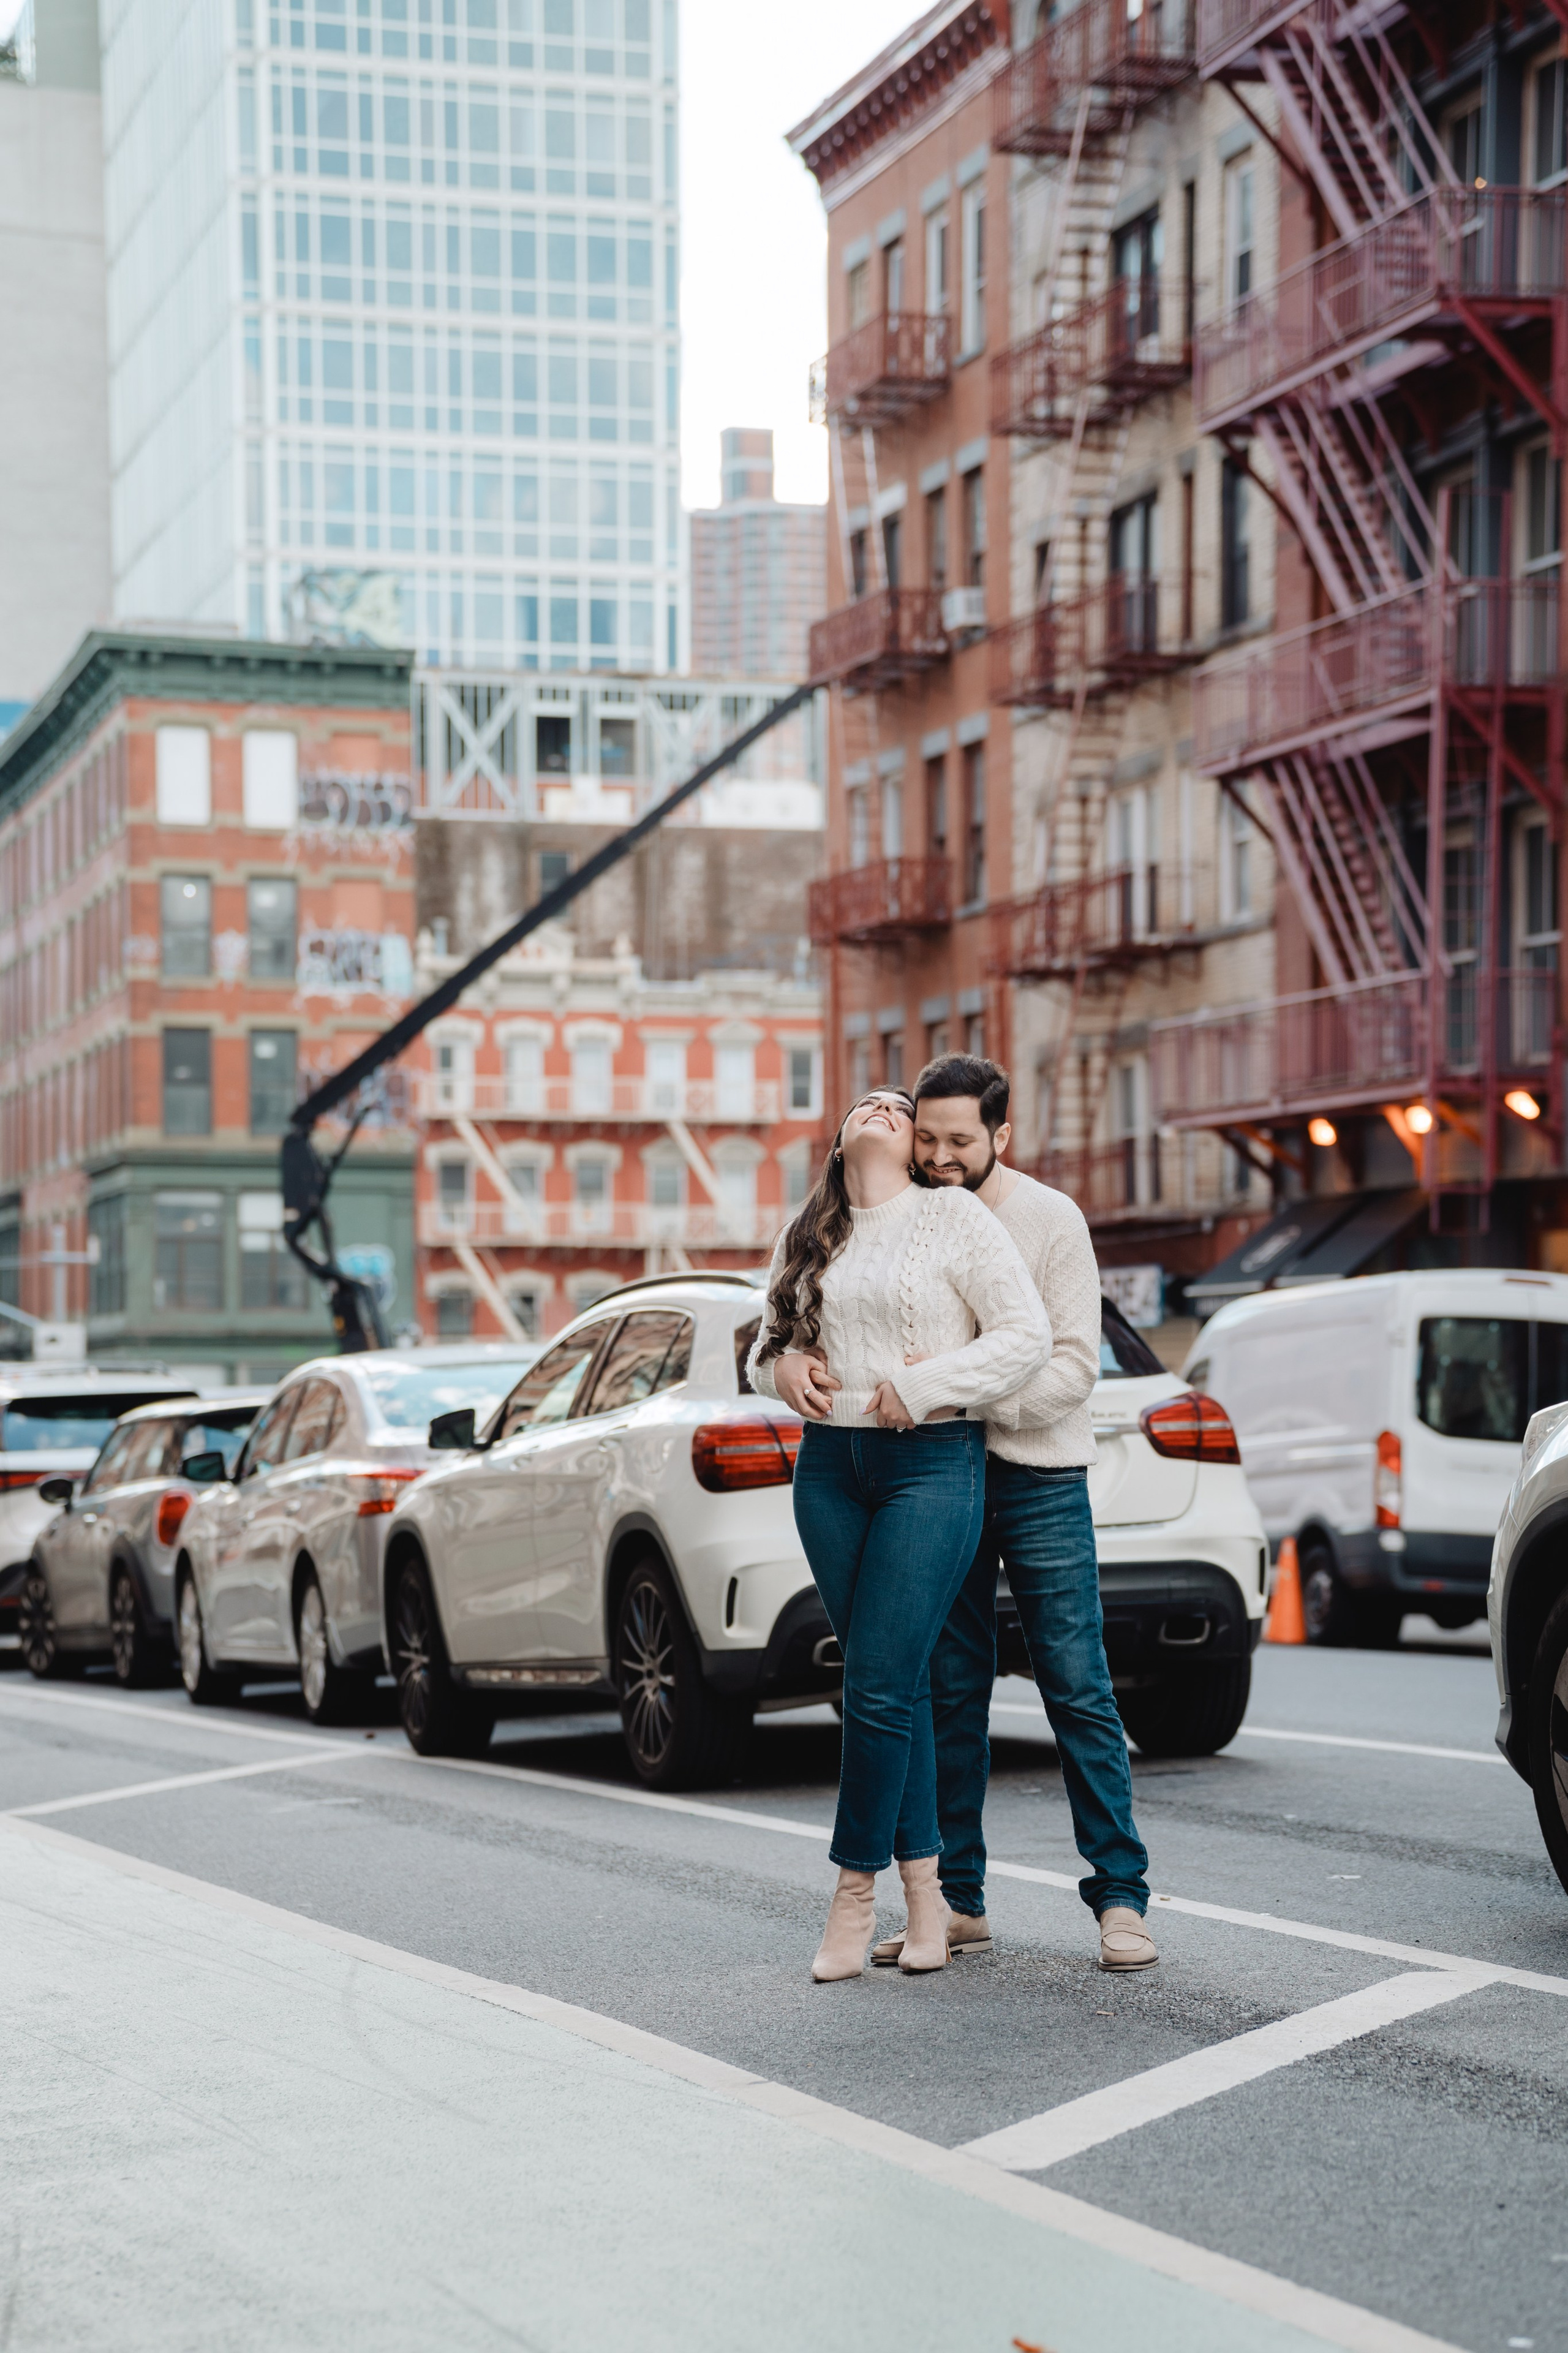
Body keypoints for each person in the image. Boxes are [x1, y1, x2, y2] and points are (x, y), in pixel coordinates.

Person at [812, 1057, 1156, 1973]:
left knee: (1075, 1683)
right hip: (934, 1477)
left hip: (1034, 1475)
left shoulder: (1050, 1220)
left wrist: (950, 1393)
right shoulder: (905, 1213)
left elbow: (1072, 1369)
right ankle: (959, 1900)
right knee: (947, 1687)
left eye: (959, 1140)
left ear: (1002, 1135)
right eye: (926, 1137)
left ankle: (1120, 1898)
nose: (938, 1155)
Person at [748, 1087, 1052, 1982]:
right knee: (900, 1681)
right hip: (829, 1471)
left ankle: (852, 1891)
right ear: (841, 1135)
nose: (886, 1108)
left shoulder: (952, 1216)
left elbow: (1025, 1335)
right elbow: (760, 1348)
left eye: (901, 1106)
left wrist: (927, 1385)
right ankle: (928, 1893)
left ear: (916, 1145)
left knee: (876, 1684)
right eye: (869, 1103)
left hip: (932, 1460)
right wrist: (784, 1366)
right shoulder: (810, 1230)